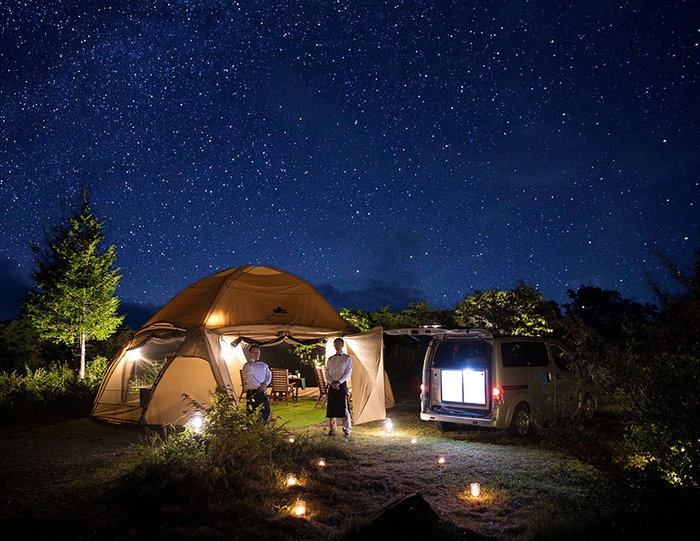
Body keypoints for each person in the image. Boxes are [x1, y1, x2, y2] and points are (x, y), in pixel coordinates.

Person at [324, 337, 353, 437]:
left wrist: (339, 382)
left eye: (339, 344)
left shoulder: (347, 358)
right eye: (335, 344)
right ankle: (332, 429)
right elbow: (326, 372)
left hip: (341, 384)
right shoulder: (330, 359)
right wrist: (332, 382)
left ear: (342, 345)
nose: (337, 346)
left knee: (344, 407)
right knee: (331, 407)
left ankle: (347, 430)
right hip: (332, 384)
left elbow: (348, 372)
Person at [242, 344, 271, 421]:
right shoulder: (247, 365)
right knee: (252, 413)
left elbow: (269, 376)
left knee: (265, 412)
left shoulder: (264, 365)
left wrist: (265, 384)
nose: (256, 354)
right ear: (250, 353)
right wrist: (259, 386)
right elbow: (250, 377)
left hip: (262, 392)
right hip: (253, 392)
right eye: (254, 352)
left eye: (258, 352)